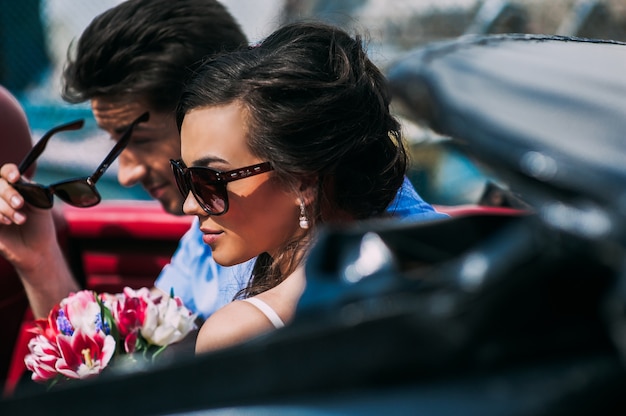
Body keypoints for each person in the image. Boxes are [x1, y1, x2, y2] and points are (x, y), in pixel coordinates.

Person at [0, 0, 445, 326]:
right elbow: (132, 355)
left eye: (137, 142)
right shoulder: (234, 226)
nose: (129, 173)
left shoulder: (265, 227)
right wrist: (40, 260)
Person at [173, 21, 438, 353]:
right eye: (184, 175)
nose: (190, 205)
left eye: (209, 181)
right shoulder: (435, 268)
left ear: (302, 179)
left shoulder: (238, 332)